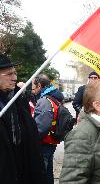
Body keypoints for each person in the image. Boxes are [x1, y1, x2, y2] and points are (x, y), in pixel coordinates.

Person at [0, 54, 47, 184]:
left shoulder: (18, 99)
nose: (15, 78)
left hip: (22, 165)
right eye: (9, 74)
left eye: (15, 73)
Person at [34, 75, 64, 184]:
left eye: (33, 87)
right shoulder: (54, 97)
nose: (32, 90)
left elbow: (42, 126)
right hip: (51, 140)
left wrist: (33, 138)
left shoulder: (44, 100)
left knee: (41, 173)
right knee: (47, 173)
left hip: (44, 142)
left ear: (39, 85)